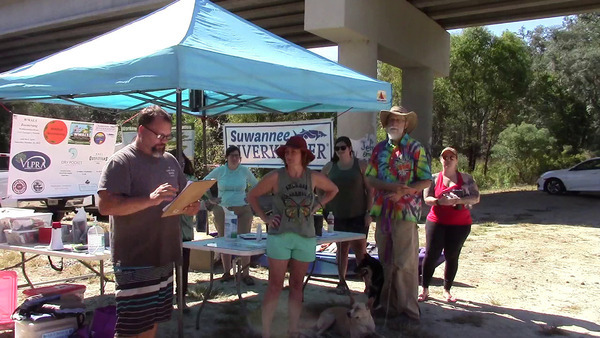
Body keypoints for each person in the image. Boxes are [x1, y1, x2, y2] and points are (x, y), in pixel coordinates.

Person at [98, 105, 200, 338]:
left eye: (167, 136)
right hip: (136, 259)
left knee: (152, 324)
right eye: (159, 135)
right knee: (131, 329)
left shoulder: (170, 161)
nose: (164, 141)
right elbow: (106, 206)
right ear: (141, 130)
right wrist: (150, 200)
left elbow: (183, 196)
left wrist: (190, 206)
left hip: (165, 255)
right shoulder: (122, 161)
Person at [247, 135, 338, 338]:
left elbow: (333, 189)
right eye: (286, 152)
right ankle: (266, 332)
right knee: (275, 285)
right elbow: (252, 195)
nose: (289, 156)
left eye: (293, 152)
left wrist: (317, 206)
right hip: (280, 236)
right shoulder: (276, 177)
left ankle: (293, 329)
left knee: (297, 286)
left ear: (303, 155)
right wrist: (266, 219)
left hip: (305, 237)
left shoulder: (312, 176)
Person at [365, 105, 432, 323]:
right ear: (386, 124)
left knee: (405, 263)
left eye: (399, 120)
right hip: (383, 212)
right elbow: (370, 178)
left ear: (405, 125)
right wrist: (391, 188)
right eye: (391, 120)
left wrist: (404, 191)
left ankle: (409, 309)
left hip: (405, 214)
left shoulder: (415, 148)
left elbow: (425, 180)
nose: (394, 123)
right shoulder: (379, 149)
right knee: (386, 261)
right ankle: (388, 307)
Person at [419, 147, 480, 303]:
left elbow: (476, 197)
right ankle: (424, 288)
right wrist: (440, 201)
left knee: (452, 255)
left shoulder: (466, 178)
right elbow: (427, 199)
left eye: (451, 157)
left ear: (456, 160)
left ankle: (447, 290)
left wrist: (458, 201)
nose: (448, 160)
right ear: (440, 160)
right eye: (445, 157)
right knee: (431, 254)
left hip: (460, 224)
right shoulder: (433, 178)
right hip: (436, 221)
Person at [321, 136, 372, 294]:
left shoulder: (361, 165)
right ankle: (341, 282)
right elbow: (319, 185)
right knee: (341, 249)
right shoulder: (330, 167)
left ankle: (368, 285)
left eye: (343, 147)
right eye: (337, 148)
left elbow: (370, 191)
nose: (340, 151)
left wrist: (369, 213)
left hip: (358, 214)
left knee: (360, 250)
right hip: (336, 215)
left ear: (350, 148)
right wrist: (322, 203)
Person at [204, 145, 259, 285]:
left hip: (242, 209)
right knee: (225, 240)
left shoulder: (244, 170)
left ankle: (245, 274)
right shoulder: (220, 170)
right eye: (232, 155)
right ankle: (227, 272)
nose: (235, 158)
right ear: (227, 157)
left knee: (244, 240)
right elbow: (203, 183)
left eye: (237, 156)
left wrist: (251, 195)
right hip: (223, 209)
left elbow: (257, 184)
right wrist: (211, 199)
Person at [168, 149, 196, 311]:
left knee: (183, 267)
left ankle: (182, 299)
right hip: (166, 231)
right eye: (178, 162)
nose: (181, 165)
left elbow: (201, 196)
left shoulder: (190, 180)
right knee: (165, 269)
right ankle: (166, 301)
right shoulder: (162, 180)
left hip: (185, 231)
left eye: (183, 162)